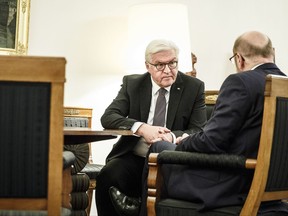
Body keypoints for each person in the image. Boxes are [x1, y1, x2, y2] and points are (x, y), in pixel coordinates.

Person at [112, 31, 287, 216]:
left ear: (239, 59)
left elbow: (213, 141)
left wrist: (182, 141)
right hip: (267, 186)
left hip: (230, 184)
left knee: (160, 147)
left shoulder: (241, 82)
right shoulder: (282, 85)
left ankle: (142, 209)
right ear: (271, 53)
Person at [95, 39, 207, 216]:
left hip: (170, 161)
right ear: (148, 66)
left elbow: (198, 130)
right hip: (135, 157)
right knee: (107, 176)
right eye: (160, 65)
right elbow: (108, 117)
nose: (168, 70)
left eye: (172, 63)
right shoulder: (133, 84)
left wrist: (169, 137)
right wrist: (142, 128)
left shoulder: (194, 87)